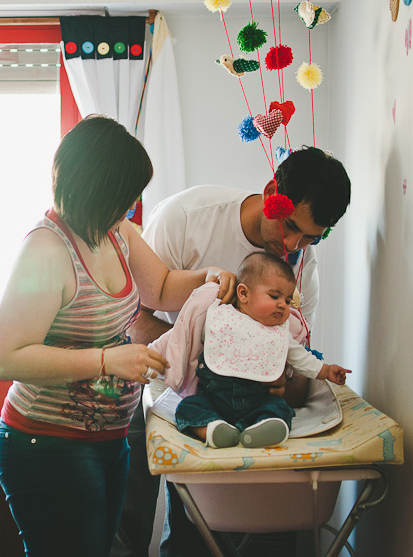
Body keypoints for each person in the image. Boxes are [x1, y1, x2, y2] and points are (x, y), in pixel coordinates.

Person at [0, 115, 235, 557]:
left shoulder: (117, 232)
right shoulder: (46, 251)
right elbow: (7, 357)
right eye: (125, 195)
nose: (132, 205)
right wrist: (107, 360)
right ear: (95, 188)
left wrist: (206, 275)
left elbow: (159, 287)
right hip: (46, 442)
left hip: (107, 438)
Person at [114, 146, 351, 557]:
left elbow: (296, 363)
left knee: (263, 523)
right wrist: (202, 363)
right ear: (271, 191)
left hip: (252, 404)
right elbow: (133, 319)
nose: (293, 244)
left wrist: (281, 382)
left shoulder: (301, 269)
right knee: (167, 504)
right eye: (290, 225)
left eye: (312, 237)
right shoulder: (187, 220)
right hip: (173, 376)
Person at [172, 252, 350, 449]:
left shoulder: (279, 333)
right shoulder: (218, 316)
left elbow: (301, 359)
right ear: (243, 294)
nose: (283, 305)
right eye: (274, 296)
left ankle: (263, 429)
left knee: (279, 408)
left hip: (257, 402)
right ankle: (212, 430)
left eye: (288, 300)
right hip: (214, 399)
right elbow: (186, 337)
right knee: (188, 407)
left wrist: (326, 370)